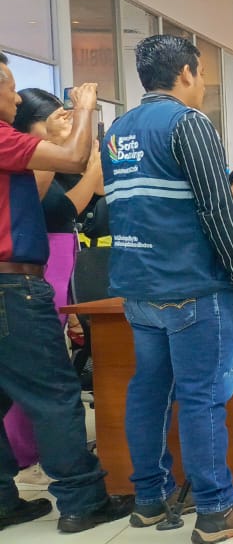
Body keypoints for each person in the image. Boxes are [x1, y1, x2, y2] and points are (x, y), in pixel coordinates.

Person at [100, 35, 233, 543]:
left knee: (149, 391)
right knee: (202, 398)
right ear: (185, 73)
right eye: (201, 75)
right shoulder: (188, 123)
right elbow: (217, 209)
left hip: (139, 287)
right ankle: (217, 509)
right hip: (192, 285)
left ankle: (149, 500)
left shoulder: (118, 131)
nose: (202, 85)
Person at [0, 56, 133, 533]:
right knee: (55, 395)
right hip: (13, 286)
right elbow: (75, 160)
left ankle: (3, 502)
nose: (16, 99)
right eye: (9, 87)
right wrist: (86, 107)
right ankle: (82, 500)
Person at [6, 87, 107, 491]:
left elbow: (96, 189)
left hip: (45, 269)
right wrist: (79, 122)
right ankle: (74, 492)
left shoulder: (44, 156)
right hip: (24, 276)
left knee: (32, 378)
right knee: (47, 385)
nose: (14, 98)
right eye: (59, 117)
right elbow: (61, 202)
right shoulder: (20, 151)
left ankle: (13, 486)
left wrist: (86, 154)